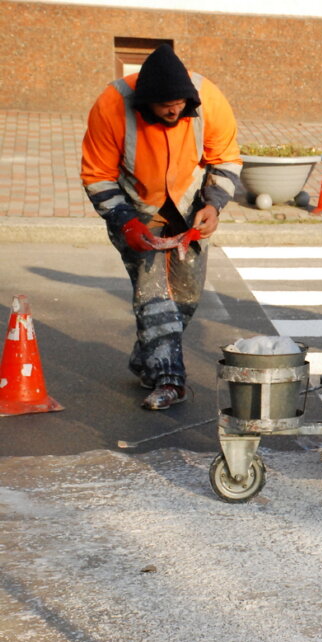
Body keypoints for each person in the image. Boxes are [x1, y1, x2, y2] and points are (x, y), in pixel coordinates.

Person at [80, 44, 242, 410]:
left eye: (180, 104)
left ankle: (146, 359)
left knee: (186, 299)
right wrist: (125, 222)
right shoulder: (111, 105)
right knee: (154, 297)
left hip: (190, 211)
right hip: (136, 212)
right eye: (164, 105)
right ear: (144, 101)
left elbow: (226, 160)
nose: (174, 110)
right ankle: (170, 381)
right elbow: (97, 176)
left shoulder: (207, 99)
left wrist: (213, 205)